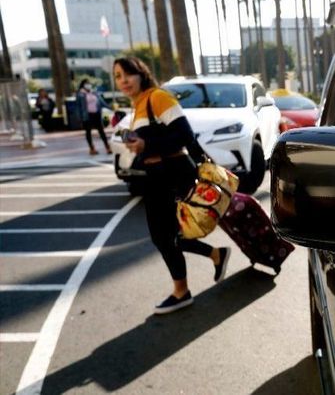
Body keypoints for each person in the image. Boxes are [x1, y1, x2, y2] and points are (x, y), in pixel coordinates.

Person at [114, 56, 231, 315]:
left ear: (141, 73)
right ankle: (214, 257)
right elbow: (153, 140)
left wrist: (147, 146)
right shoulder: (139, 106)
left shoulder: (158, 97)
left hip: (173, 173)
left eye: (126, 74)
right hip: (156, 175)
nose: (122, 81)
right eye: (117, 76)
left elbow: (185, 137)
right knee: (168, 235)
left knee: (164, 235)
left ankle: (182, 291)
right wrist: (137, 145)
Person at [75, 79, 111, 155]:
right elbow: (78, 107)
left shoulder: (94, 92)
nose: (88, 85)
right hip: (87, 116)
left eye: (89, 83)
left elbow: (101, 102)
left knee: (101, 131)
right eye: (86, 83)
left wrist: (110, 107)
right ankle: (92, 148)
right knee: (88, 132)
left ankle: (107, 147)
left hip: (96, 114)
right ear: (83, 85)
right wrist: (79, 118)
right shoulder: (80, 94)